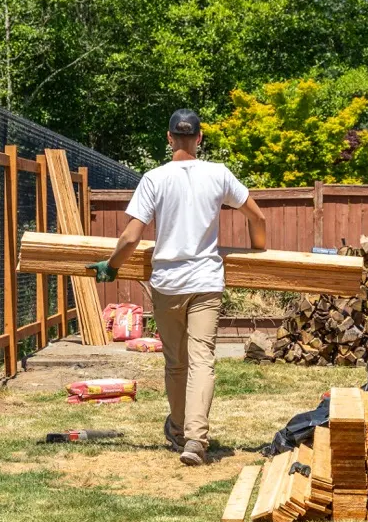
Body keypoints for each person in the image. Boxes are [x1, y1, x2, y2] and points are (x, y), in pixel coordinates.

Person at [87, 109, 266, 466]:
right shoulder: (219, 174)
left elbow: (130, 236)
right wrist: (258, 253)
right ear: (199, 138)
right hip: (206, 282)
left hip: (167, 284)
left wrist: (112, 266)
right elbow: (257, 217)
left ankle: (181, 429)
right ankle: (196, 440)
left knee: (176, 363)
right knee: (203, 360)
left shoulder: (154, 179)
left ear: (169, 138)